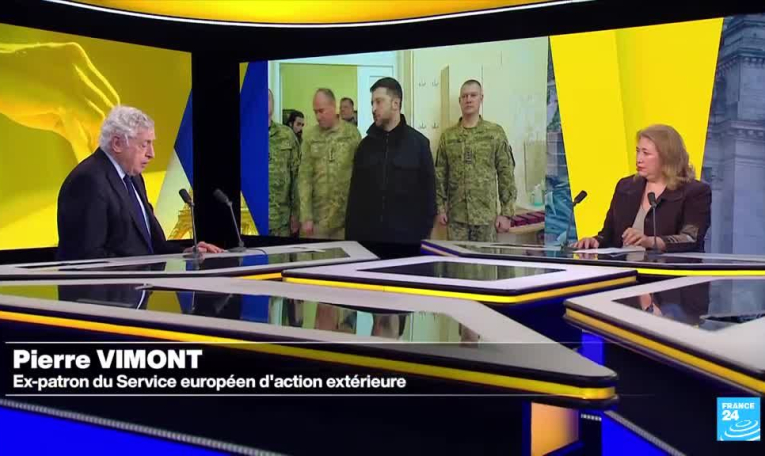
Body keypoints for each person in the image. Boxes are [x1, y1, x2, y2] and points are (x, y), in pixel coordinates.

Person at [56, 105, 223, 260]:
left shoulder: (133, 177)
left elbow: (152, 247)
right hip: (116, 283)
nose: (151, 154)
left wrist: (186, 253)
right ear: (117, 143)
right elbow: (87, 256)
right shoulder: (88, 181)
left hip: (143, 281)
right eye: (144, 145)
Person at [573, 124, 711, 253]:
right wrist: (595, 241)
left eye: (646, 153)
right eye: (638, 151)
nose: (639, 159)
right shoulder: (626, 186)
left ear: (666, 157)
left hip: (667, 269)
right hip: (623, 267)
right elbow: (608, 234)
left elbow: (690, 238)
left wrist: (650, 241)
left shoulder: (695, 192)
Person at [345, 77, 436, 244]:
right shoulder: (365, 147)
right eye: (372, 103)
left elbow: (429, 197)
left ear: (395, 103)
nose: (373, 108)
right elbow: (355, 199)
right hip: (368, 241)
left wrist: (421, 236)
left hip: (407, 242)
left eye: (379, 102)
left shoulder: (419, 144)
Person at [435, 80, 517, 242]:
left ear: (481, 98)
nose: (469, 99)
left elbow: (506, 173)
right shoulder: (448, 136)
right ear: (460, 101)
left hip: (486, 218)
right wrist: (440, 208)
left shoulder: (494, 133)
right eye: (464, 96)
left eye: (473, 95)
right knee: (457, 259)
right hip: (456, 219)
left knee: (484, 259)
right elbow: (440, 174)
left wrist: (506, 213)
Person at [297, 89, 361, 239]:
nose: (318, 116)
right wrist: (306, 216)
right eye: (315, 112)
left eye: (321, 111)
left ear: (333, 107)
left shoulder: (352, 134)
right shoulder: (310, 137)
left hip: (344, 221)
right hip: (317, 221)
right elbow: (304, 178)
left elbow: (361, 175)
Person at [267, 90, 301, 237]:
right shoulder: (245, 134)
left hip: (281, 221)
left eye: (267, 98)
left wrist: (296, 214)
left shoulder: (287, 135)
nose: (264, 102)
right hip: (250, 219)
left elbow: (297, 176)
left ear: (273, 104)